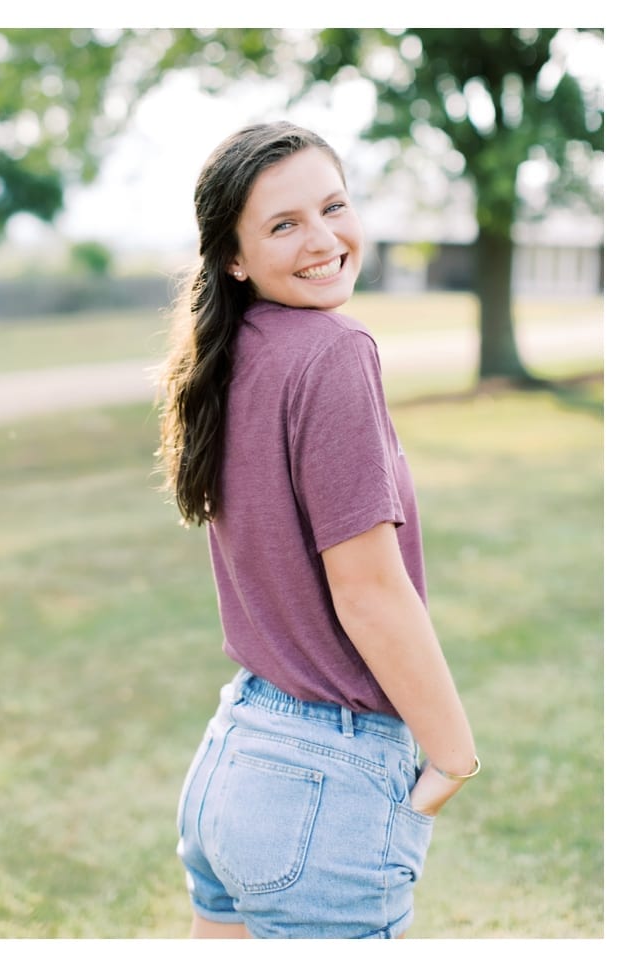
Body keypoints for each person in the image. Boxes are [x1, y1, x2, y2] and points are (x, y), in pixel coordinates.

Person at [157, 122, 479, 939]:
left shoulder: (228, 353)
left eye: (334, 207)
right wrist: (452, 752)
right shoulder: (335, 352)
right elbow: (369, 590)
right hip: (322, 779)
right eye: (284, 225)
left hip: (233, 759)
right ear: (233, 255)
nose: (324, 239)